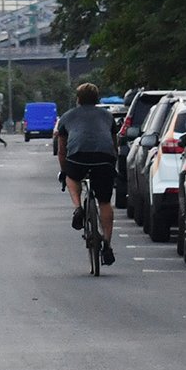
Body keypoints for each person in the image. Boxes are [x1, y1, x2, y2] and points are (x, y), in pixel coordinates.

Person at [57, 82, 120, 268]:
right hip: (104, 159)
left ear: (78, 99)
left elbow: (62, 151)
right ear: (97, 98)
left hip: (78, 158)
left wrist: (64, 170)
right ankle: (107, 244)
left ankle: (78, 207)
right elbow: (114, 146)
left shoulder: (67, 117)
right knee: (105, 202)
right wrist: (112, 165)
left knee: (72, 176)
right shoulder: (108, 116)